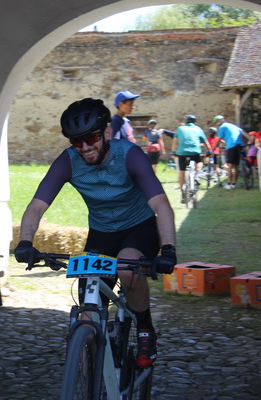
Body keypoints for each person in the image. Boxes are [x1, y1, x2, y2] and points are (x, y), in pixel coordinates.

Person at [13, 98, 176, 368]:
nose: (85, 147)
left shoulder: (130, 154)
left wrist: (168, 249)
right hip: (101, 234)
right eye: (77, 142)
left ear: (107, 133)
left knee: (127, 267)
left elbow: (161, 205)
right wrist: (25, 242)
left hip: (139, 228)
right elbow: (36, 206)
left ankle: (145, 328)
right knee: (87, 313)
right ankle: (89, 370)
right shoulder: (69, 161)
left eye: (91, 138)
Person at [171, 114, 212, 199]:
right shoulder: (198, 129)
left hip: (182, 152)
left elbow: (174, 141)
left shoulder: (180, 128)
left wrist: (173, 152)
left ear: (186, 121)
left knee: (181, 172)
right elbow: (205, 142)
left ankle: (182, 192)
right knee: (199, 162)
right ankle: (197, 175)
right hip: (195, 151)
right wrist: (209, 151)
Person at [212, 115, 248, 189]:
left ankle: (229, 184)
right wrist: (251, 140)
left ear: (218, 122)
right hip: (239, 145)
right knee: (236, 166)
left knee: (230, 165)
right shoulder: (232, 125)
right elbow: (243, 132)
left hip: (231, 145)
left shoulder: (222, 127)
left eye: (216, 123)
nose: (216, 124)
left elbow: (219, 139)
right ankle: (234, 184)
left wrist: (213, 148)